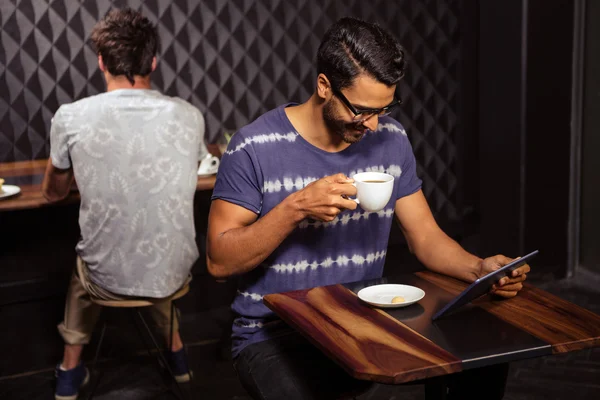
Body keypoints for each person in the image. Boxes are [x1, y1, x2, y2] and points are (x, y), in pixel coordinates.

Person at [206, 17, 530, 400]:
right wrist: (294, 207)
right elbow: (219, 262)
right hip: (275, 336)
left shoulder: (391, 139)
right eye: (362, 110)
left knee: (482, 363)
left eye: (386, 108)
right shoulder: (253, 147)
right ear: (324, 86)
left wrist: (479, 269)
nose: (375, 125)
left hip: (364, 323)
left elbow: (425, 238)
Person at [42, 8, 206, 400]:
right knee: (152, 248)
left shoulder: (71, 116)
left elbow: (53, 193)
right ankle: (179, 356)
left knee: (89, 269)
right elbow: (197, 167)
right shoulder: (189, 115)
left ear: (101, 61)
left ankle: (69, 371)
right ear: (153, 61)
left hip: (106, 281)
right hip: (175, 273)